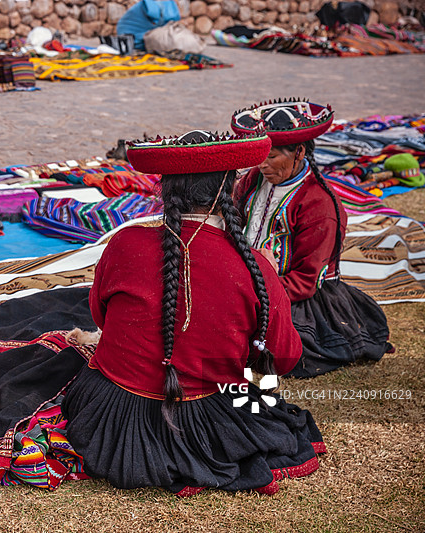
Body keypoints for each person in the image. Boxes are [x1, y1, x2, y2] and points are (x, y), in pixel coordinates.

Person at [62, 130, 325, 494]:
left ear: (166, 189)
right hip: (209, 418)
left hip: (111, 413)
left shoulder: (124, 243)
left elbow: (101, 317)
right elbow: (283, 357)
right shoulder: (256, 269)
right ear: (227, 190)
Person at [231, 98, 392, 378]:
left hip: (297, 298)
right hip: (251, 282)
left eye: (272, 156)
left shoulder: (319, 205)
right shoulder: (253, 180)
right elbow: (233, 226)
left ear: (299, 152)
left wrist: (260, 285)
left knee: (270, 347)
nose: (263, 165)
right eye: (259, 155)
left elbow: (305, 281)